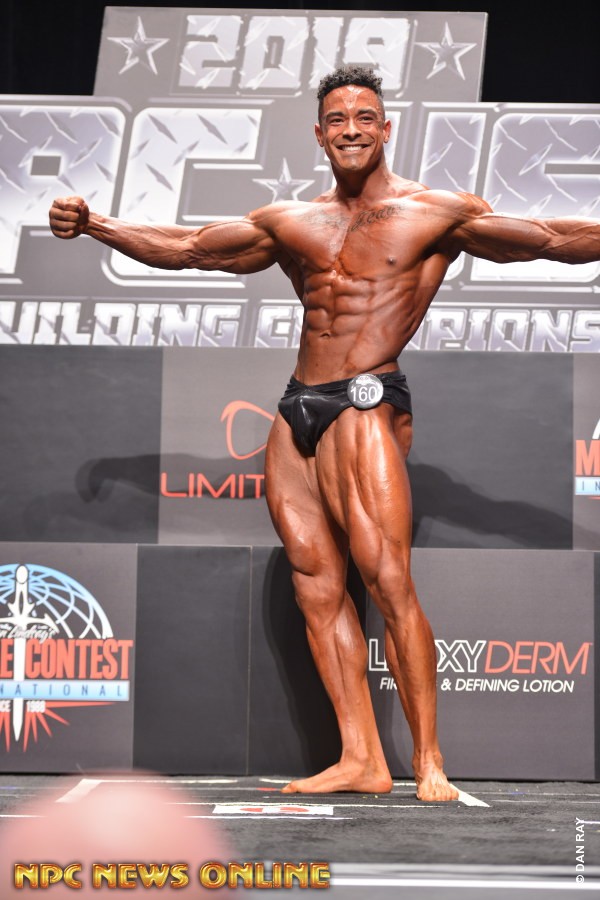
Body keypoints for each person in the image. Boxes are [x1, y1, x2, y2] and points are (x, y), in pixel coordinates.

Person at [49, 65, 600, 802]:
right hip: (298, 407)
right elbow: (189, 248)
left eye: (364, 117)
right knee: (316, 586)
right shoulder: (291, 222)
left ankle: (428, 762)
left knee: (388, 581)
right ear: (318, 133)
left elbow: (552, 238)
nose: (351, 129)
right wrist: (97, 226)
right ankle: (360, 757)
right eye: (337, 119)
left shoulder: (436, 213)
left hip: (365, 400)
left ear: (386, 128)